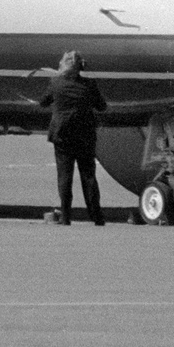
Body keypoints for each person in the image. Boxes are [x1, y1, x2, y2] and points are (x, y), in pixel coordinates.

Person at [39, 50, 108, 225]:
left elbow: (43, 102)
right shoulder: (89, 84)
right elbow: (102, 106)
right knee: (88, 176)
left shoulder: (55, 83)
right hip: (85, 133)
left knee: (64, 176)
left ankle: (66, 216)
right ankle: (96, 216)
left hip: (62, 134)